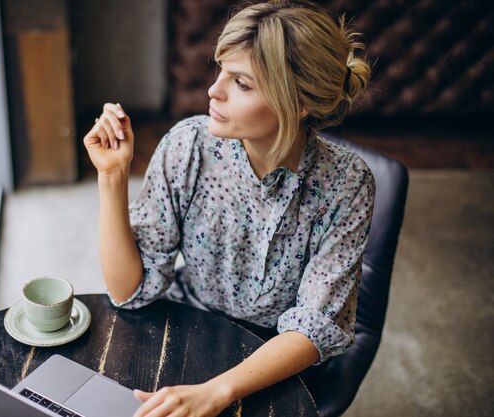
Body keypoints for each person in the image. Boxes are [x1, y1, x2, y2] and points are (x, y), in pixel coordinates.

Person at [83, 1, 374, 416]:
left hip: (277, 352)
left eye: (242, 83)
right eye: (222, 70)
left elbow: (314, 326)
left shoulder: (347, 185)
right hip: (190, 319)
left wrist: (218, 391)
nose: (213, 91)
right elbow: (130, 292)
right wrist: (113, 177)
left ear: (299, 104)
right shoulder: (187, 146)